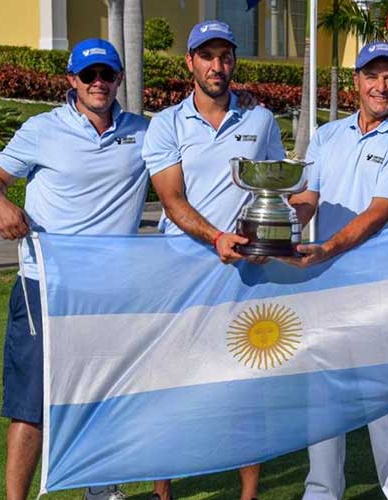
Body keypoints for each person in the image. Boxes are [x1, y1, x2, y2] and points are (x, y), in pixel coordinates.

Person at [0, 38, 147, 500]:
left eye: (106, 75)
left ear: (118, 79)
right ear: (71, 80)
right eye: (88, 76)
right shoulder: (41, 129)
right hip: (43, 285)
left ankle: (101, 489)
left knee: (105, 394)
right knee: (30, 405)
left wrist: (241, 98)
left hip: (110, 291)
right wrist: (1, 204)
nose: (98, 84)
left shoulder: (145, 132)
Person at [142, 20, 286, 500]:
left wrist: (273, 237)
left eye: (225, 56)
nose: (217, 66)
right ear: (191, 63)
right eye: (207, 56)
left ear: (233, 62)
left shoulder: (261, 121)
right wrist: (216, 237)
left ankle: (248, 495)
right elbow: (172, 198)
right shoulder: (165, 124)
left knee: (246, 387)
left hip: (245, 274)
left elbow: (273, 187)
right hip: (178, 271)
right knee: (171, 385)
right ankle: (163, 491)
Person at [284, 42, 388, 500]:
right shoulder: (328, 136)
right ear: (356, 82)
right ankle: (322, 491)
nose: (380, 86)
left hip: (381, 283)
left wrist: (326, 246)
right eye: (372, 76)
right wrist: (279, 215)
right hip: (326, 282)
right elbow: (310, 195)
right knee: (323, 393)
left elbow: (379, 212)